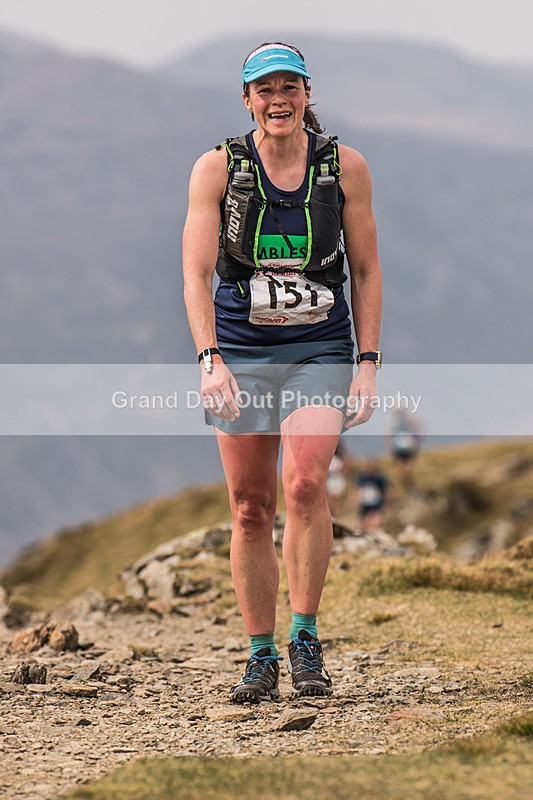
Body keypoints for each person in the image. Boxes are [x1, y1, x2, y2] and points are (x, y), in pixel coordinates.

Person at [182, 42, 382, 703]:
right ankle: (259, 655)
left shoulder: (344, 167)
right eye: (264, 89)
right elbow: (195, 273)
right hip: (240, 353)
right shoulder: (217, 169)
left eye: (289, 87)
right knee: (248, 507)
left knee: (304, 484)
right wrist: (209, 359)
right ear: (247, 100)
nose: (278, 100)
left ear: (306, 95)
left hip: (319, 349)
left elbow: (366, 270)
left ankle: (304, 637)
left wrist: (366, 364)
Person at [389, 408, 423, 490]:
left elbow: (419, 426)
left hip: (407, 448)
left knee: (407, 468)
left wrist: (417, 442)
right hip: (399, 448)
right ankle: (405, 485)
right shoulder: (394, 423)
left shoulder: (407, 421)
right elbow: (390, 435)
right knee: (401, 469)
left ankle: (408, 485)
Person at [356, 458, 389, 532]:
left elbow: (385, 491)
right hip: (365, 505)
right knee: (364, 523)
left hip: (376, 505)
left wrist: (386, 503)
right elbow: (358, 489)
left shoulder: (379, 479)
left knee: (375, 523)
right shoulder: (362, 478)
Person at [326, 442, 348, 519]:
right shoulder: (330, 457)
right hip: (329, 481)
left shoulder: (339, 458)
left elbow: (344, 468)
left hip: (337, 481)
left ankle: (336, 518)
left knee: (334, 502)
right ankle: (333, 517)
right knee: (330, 502)